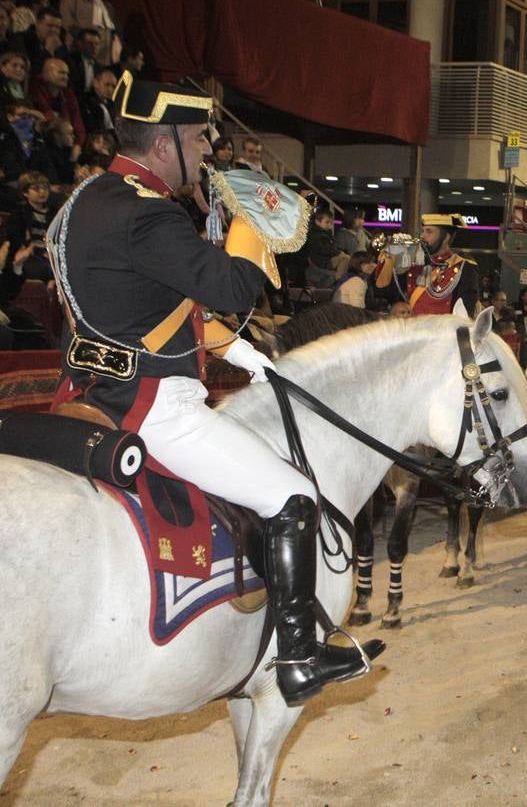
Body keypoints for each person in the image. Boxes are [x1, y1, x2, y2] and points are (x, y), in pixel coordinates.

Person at [47, 72, 382, 706]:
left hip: (83, 394)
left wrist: (240, 351)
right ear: (165, 143)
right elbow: (231, 287)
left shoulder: (79, 204)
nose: (207, 151)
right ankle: (298, 656)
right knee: (292, 494)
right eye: (199, 138)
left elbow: (138, 303)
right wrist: (253, 214)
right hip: (151, 407)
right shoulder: (148, 215)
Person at [376, 212, 480, 316]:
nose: (422, 236)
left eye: (429, 232)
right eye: (422, 231)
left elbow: (465, 312)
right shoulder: (414, 263)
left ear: (446, 238)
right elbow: (382, 291)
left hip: (442, 330)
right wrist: (393, 256)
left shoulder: (464, 266)